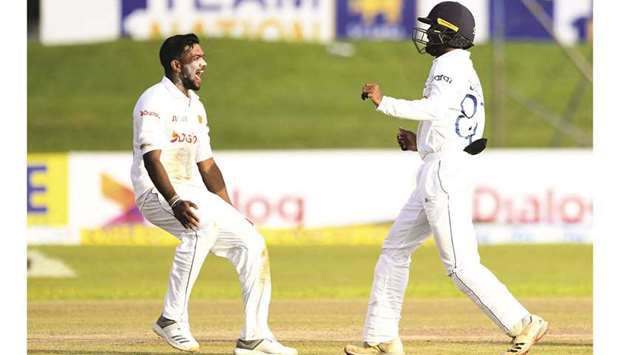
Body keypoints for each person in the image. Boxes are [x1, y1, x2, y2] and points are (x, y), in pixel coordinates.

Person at [344, 2, 548, 355]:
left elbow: (435, 110)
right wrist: (421, 145)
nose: (426, 34)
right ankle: (381, 338)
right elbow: (455, 125)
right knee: (395, 249)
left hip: (444, 173)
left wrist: (384, 102)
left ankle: (524, 323)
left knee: (459, 265)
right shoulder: (460, 67)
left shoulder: (448, 65)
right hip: (439, 166)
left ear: (447, 32)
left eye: (432, 28)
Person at [130, 33, 297, 355]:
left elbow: (207, 166)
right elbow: (152, 158)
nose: (204, 64)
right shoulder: (153, 100)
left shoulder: (196, 106)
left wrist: (230, 211)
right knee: (200, 226)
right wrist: (175, 201)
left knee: (251, 240)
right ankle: (170, 319)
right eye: (196, 58)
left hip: (192, 190)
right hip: (157, 192)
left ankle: (254, 337)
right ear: (177, 65)